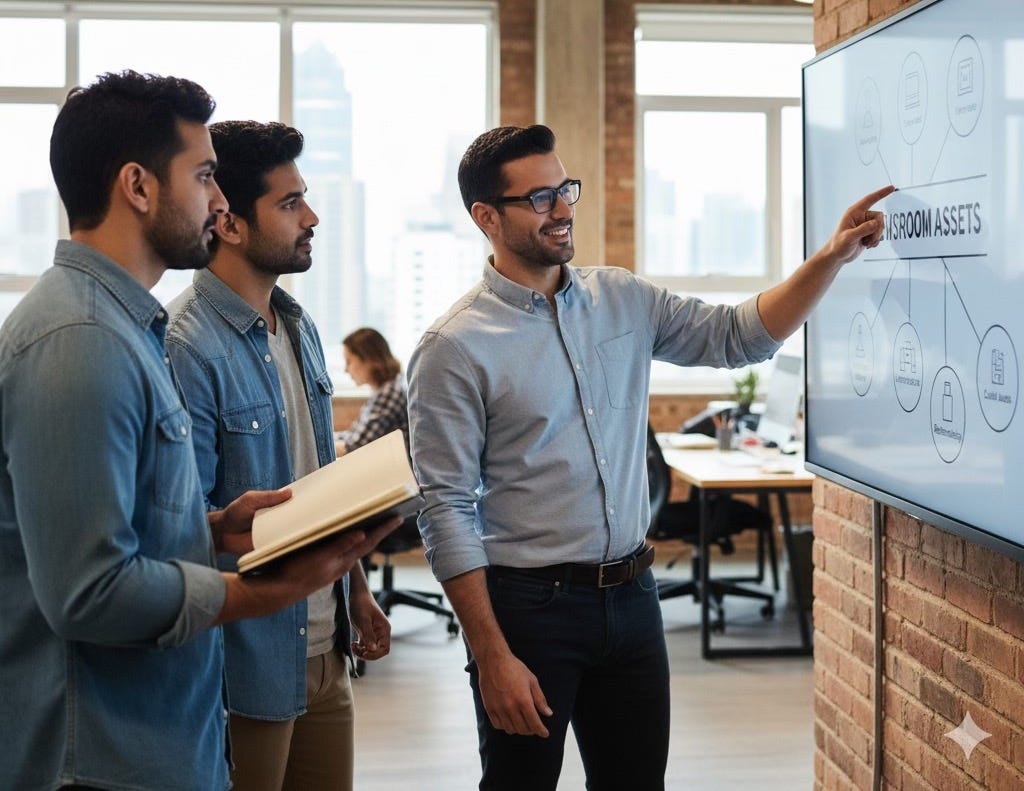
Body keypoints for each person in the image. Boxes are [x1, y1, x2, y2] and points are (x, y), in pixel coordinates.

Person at [406, 123, 893, 790]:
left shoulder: (623, 299)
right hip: (530, 610)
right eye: (541, 197)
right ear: (486, 217)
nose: (564, 209)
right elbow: (445, 508)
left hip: (634, 599)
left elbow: (738, 336)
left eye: (565, 189)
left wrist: (832, 257)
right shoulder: (454, 347)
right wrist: (490, 653)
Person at [0, 72, 396, 791]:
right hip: (106, 759)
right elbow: (88, 590)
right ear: (138, 186)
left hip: (165, 735)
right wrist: (258, 595)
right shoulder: (81, 340)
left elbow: (118, 518)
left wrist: (210, 527)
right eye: (205, 175)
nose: (218, 202)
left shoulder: (127, 327)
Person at [165, 120, 389, 791]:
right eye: (290, 203)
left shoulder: (299, 325)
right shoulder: (186, 345)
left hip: (324, 645)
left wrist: (357, 590)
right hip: (245, 663)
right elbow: (186, 528)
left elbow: (319, 480)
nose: (311, 216)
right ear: (228, 222)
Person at [335, 327, 408, 457]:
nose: (346, 369)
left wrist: (316, 447)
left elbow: (356, 447)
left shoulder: (389, 393)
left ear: (369, 359)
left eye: (349, 361)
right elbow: (352, 436)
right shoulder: (383, 390)